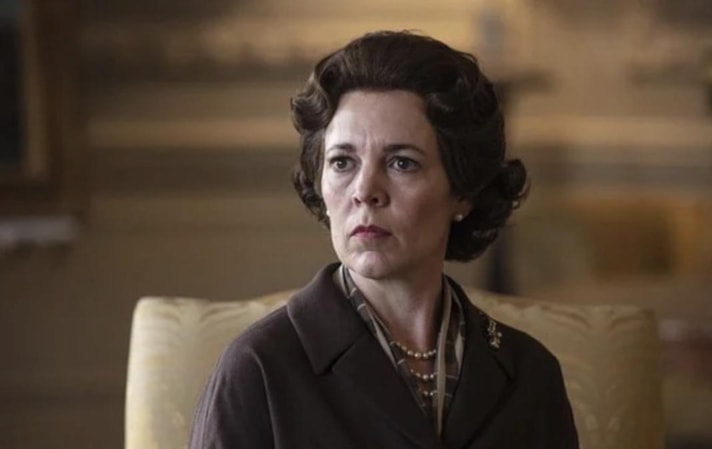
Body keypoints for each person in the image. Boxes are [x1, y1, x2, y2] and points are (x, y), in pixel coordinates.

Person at [189, 30, 578, 449]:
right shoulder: (260, 368)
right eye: (342, 162)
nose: (365, 190)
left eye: (401, 163)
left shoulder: (529, 374)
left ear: (463, 192)